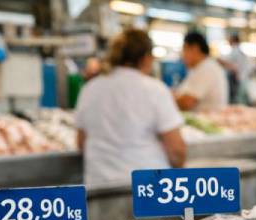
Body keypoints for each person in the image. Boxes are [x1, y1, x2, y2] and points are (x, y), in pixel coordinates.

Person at [75, 29, 186, 185]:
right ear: (146, 58)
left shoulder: (89, 89)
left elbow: (81, 143)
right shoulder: (155, 89)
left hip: (98, 187)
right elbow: (176, 150)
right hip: (148, 190)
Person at [175, 31, 229, 111]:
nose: (182, 55)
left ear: (195, 49)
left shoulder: (207, 68)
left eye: (184, 49)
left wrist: (168, 99)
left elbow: (187, 102)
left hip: (207, 120)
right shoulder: (199, 68)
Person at [225, 34, 251, 104]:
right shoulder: (240, 51)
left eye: (229, 39)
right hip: (241, 78)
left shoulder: (235, 51)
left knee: (237, 100)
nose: (228, 41)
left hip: (237, 79)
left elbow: (234, 67)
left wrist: (222, 63)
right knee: (240, 99)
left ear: (233, 40)